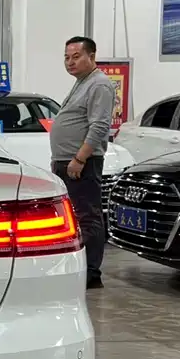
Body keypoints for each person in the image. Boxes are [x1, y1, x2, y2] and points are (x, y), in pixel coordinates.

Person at [50, 36, 116, 290]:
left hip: (82, 163)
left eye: (76, 57)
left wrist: (79, 158)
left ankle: (90, 273)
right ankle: (79, 268)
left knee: (87, 216)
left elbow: (99, 126)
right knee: (74, 217)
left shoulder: (99, 84)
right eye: (67, 57)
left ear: (92, 56)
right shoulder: (82, 83)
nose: (70, 62)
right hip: (67, 161)